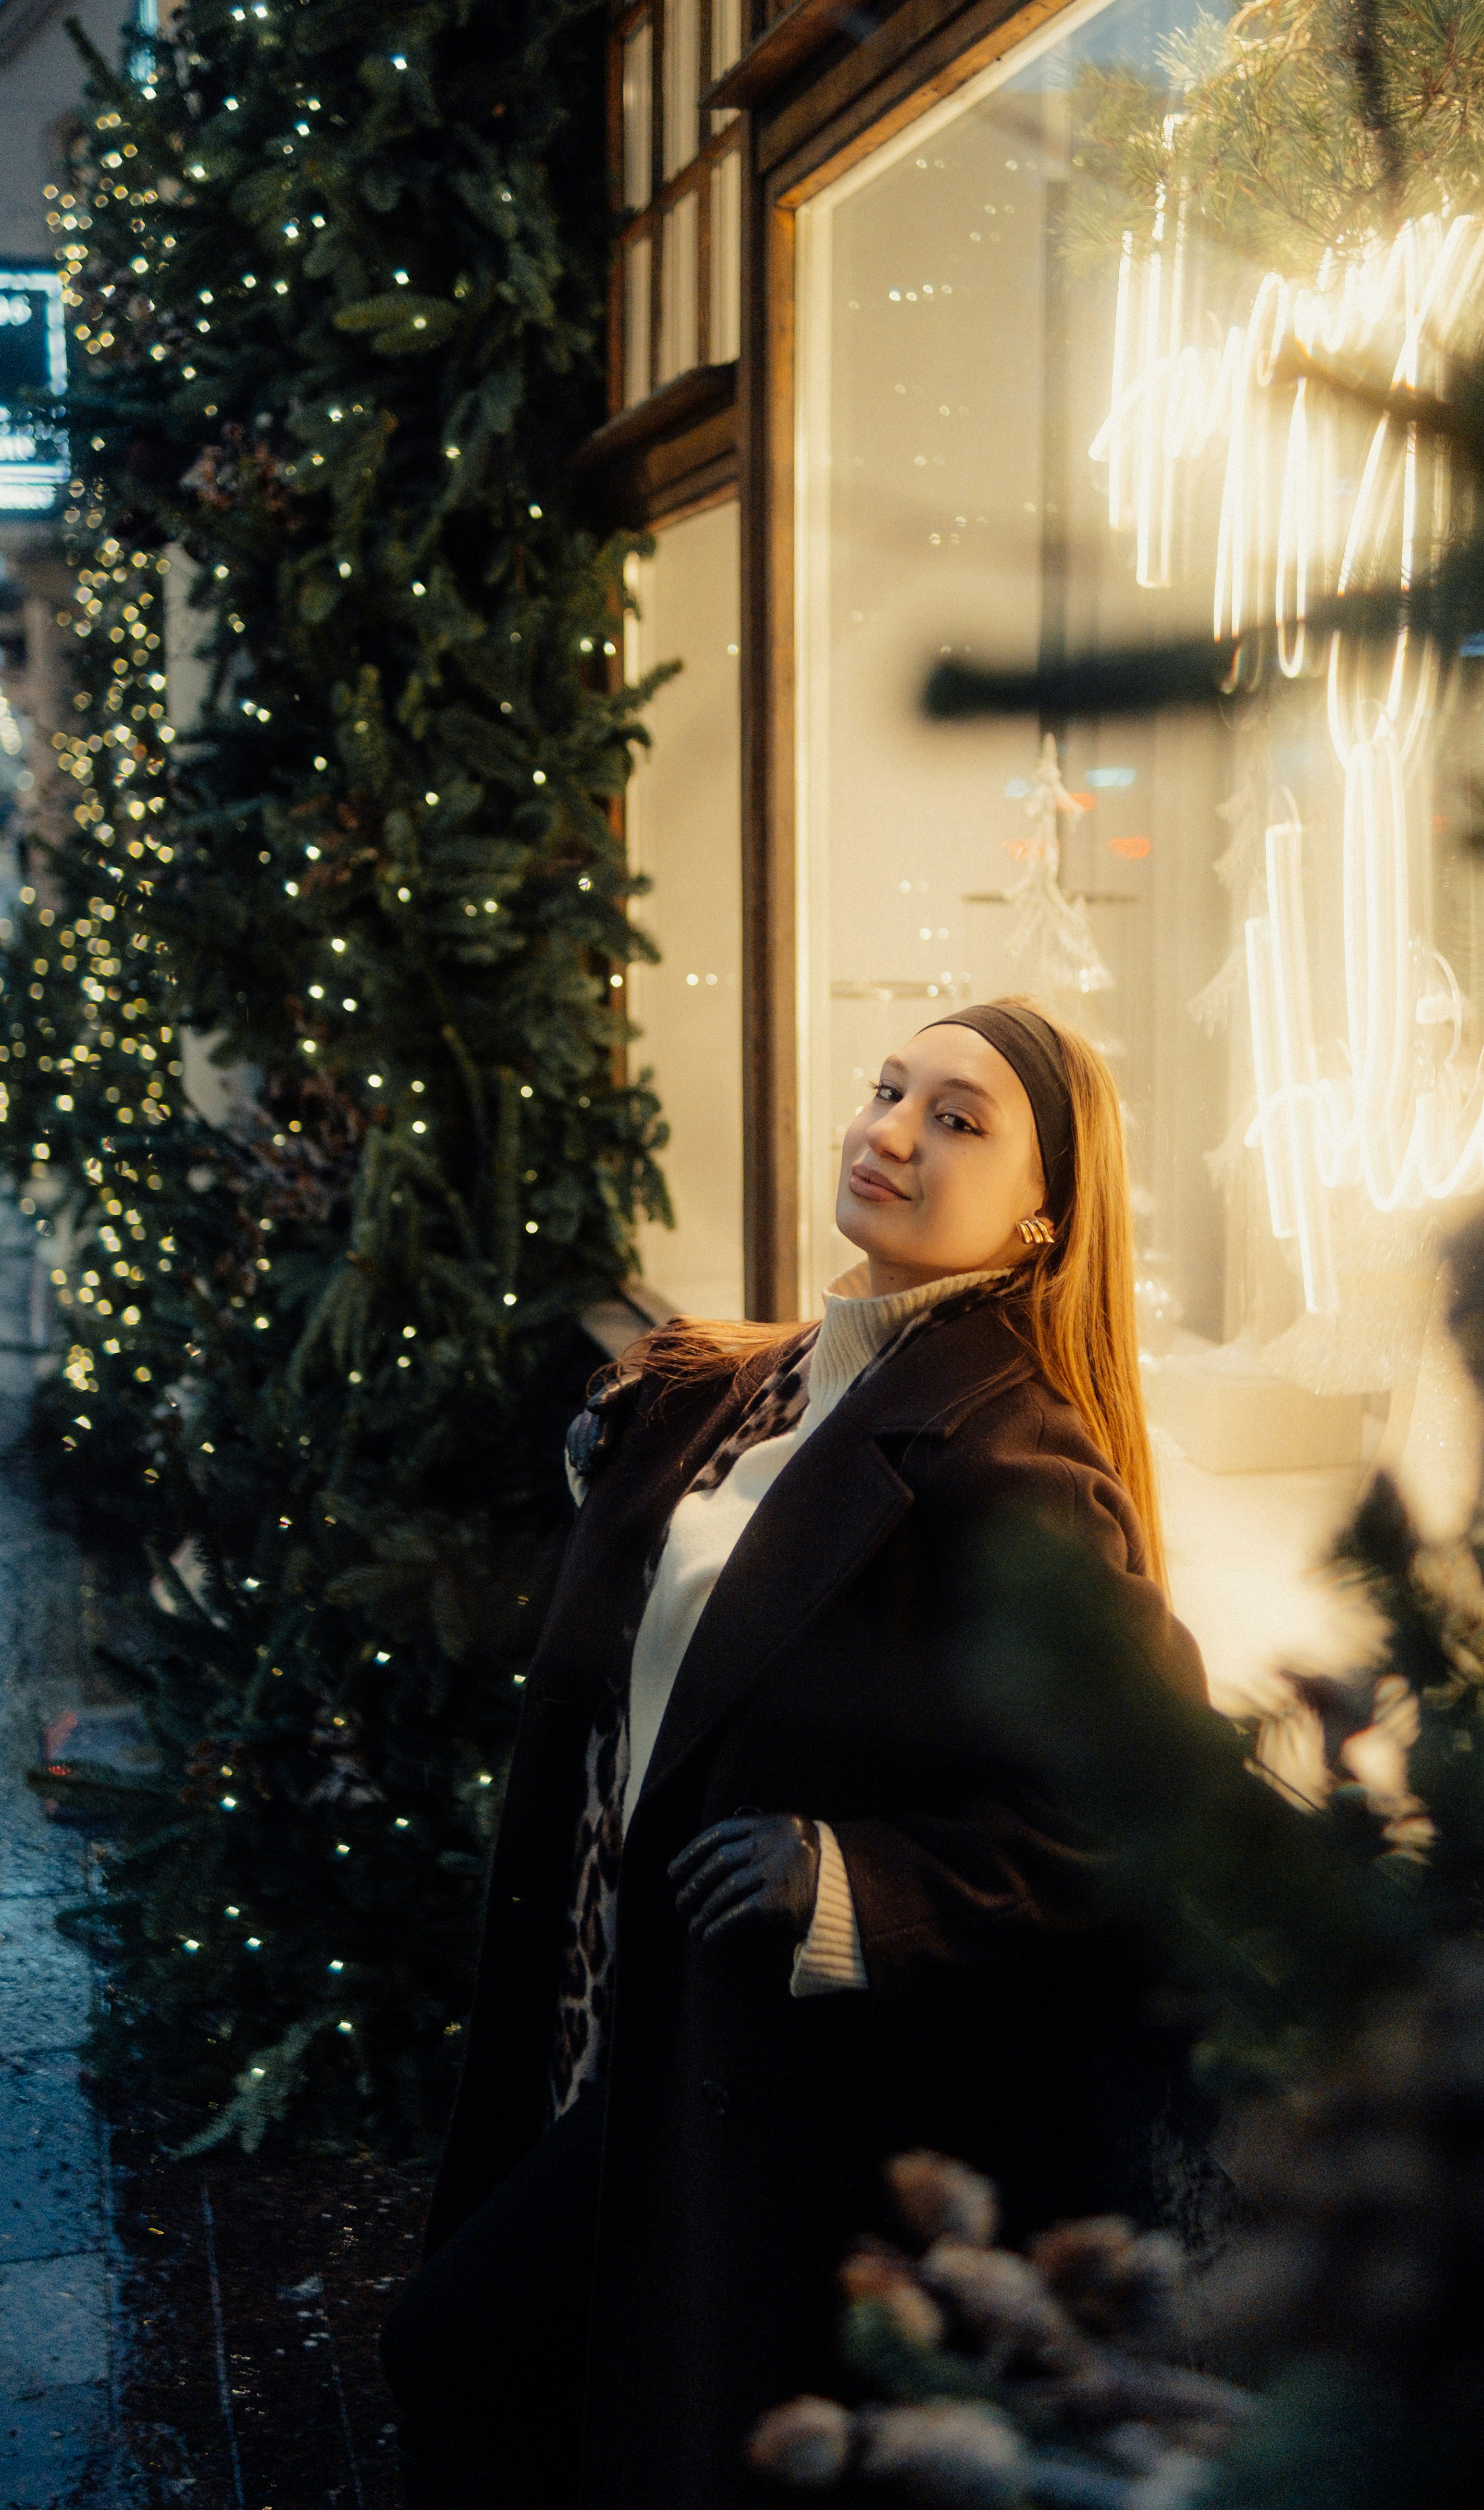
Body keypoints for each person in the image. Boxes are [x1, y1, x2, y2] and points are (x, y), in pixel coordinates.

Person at [381, 997, 1210, 2510]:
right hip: (613, 2026)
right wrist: (643, 1450)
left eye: (958, 1120)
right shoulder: (771, 1382)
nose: (890, 1132)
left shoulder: (1010, 1463)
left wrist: (853, 1885)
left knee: (462, 2359)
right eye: (890, 1089)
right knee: (549, 2388)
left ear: (1042, 1219)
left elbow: (1148, 1805)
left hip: (756, 2080)